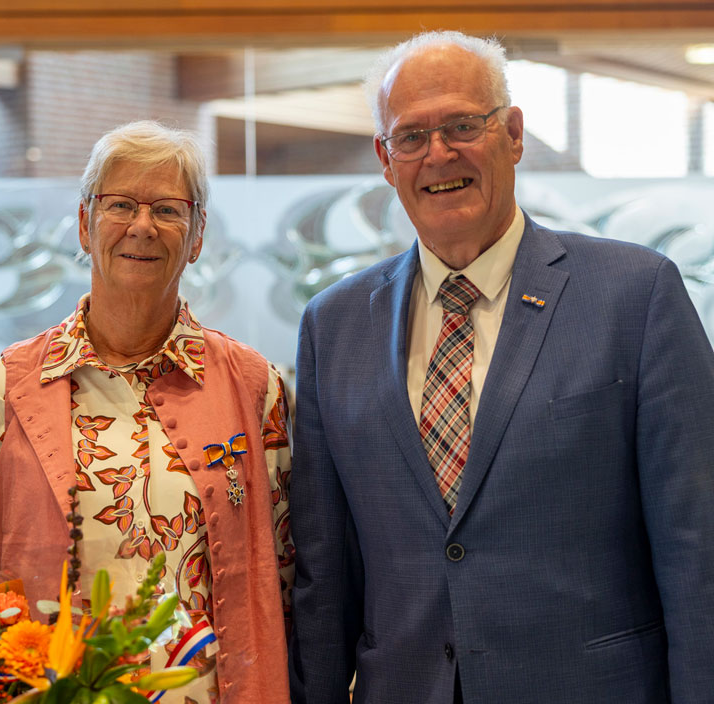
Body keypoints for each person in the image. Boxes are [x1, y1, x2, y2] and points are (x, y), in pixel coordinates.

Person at [289, 30, 714, 704]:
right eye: (411, 136)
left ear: (513, 135)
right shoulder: (334, 326)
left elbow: (700, 552)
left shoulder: (636, 297)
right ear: (385, 157)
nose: (438, 154)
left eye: (463, 125)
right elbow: (324, 573)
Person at [0, 120, 293, 702]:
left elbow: (284, 575)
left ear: (198, 234)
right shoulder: (5, 389)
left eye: (167, 209)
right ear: (86, 225)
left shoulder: (255, 386)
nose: (142, 226)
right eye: (120, 205)